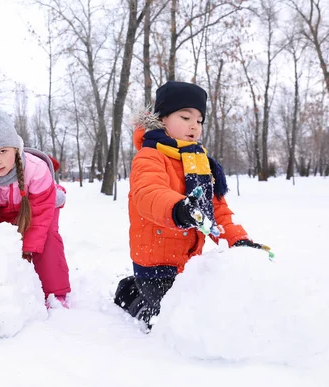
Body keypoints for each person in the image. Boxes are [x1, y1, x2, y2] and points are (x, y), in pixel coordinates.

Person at [114, 81, 270, 329]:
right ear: (163, 119)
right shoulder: (150, 155)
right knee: (165, 319)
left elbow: (217, 210)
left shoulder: (199, 161)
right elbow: (148, 194)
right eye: (185, 116)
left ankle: (138, 289)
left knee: (199, 308)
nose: (193, 125)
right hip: (157, 265)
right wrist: (180, 209)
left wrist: (237, 240)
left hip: (188, 263)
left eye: (199, 120)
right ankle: (130, 295)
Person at [0, 91, 70, 308]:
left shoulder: (35, 169)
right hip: (4, 212)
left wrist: (28, 248)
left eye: (2, 151)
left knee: (46, 239)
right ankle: (1, 288)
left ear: (14, 146)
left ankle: (55, 293)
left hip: (38, 208)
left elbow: (40, 215)